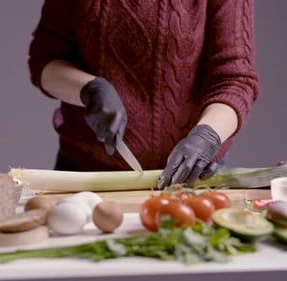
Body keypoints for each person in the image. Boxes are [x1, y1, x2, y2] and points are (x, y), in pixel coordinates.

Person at [28, 0, 259, 190]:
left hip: (191, 178)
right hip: (84, 176)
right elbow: (45, 60)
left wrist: (207, 136)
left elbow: (234, 79)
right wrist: (89, 89)